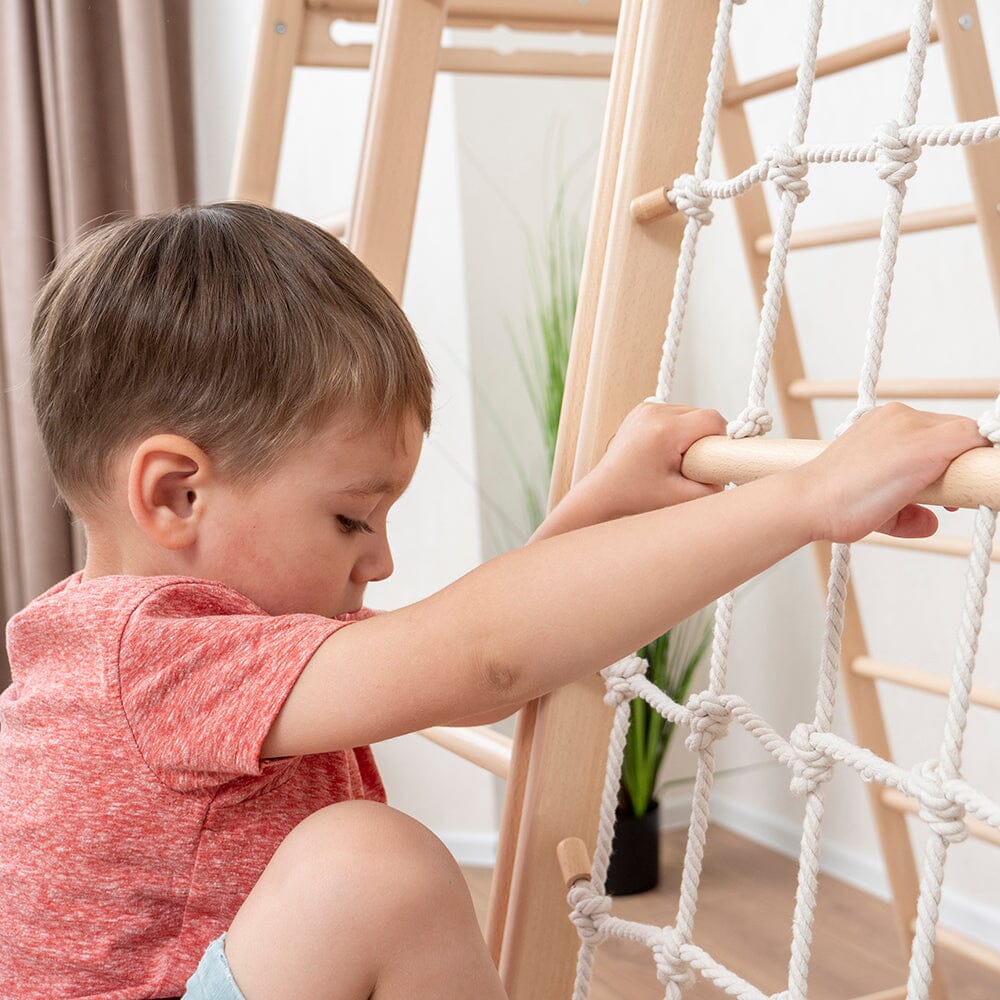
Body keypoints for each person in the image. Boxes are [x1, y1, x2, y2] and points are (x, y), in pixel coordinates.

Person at [0, 202, 987, 1000]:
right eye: (351, 519)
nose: (378, 561)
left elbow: (466, 680)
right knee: (372, 868)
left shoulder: (161, 648)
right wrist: (807, 497)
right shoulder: (150, 655)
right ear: (176, 493)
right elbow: (482, 656)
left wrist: (602, 505)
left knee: (366, 866)